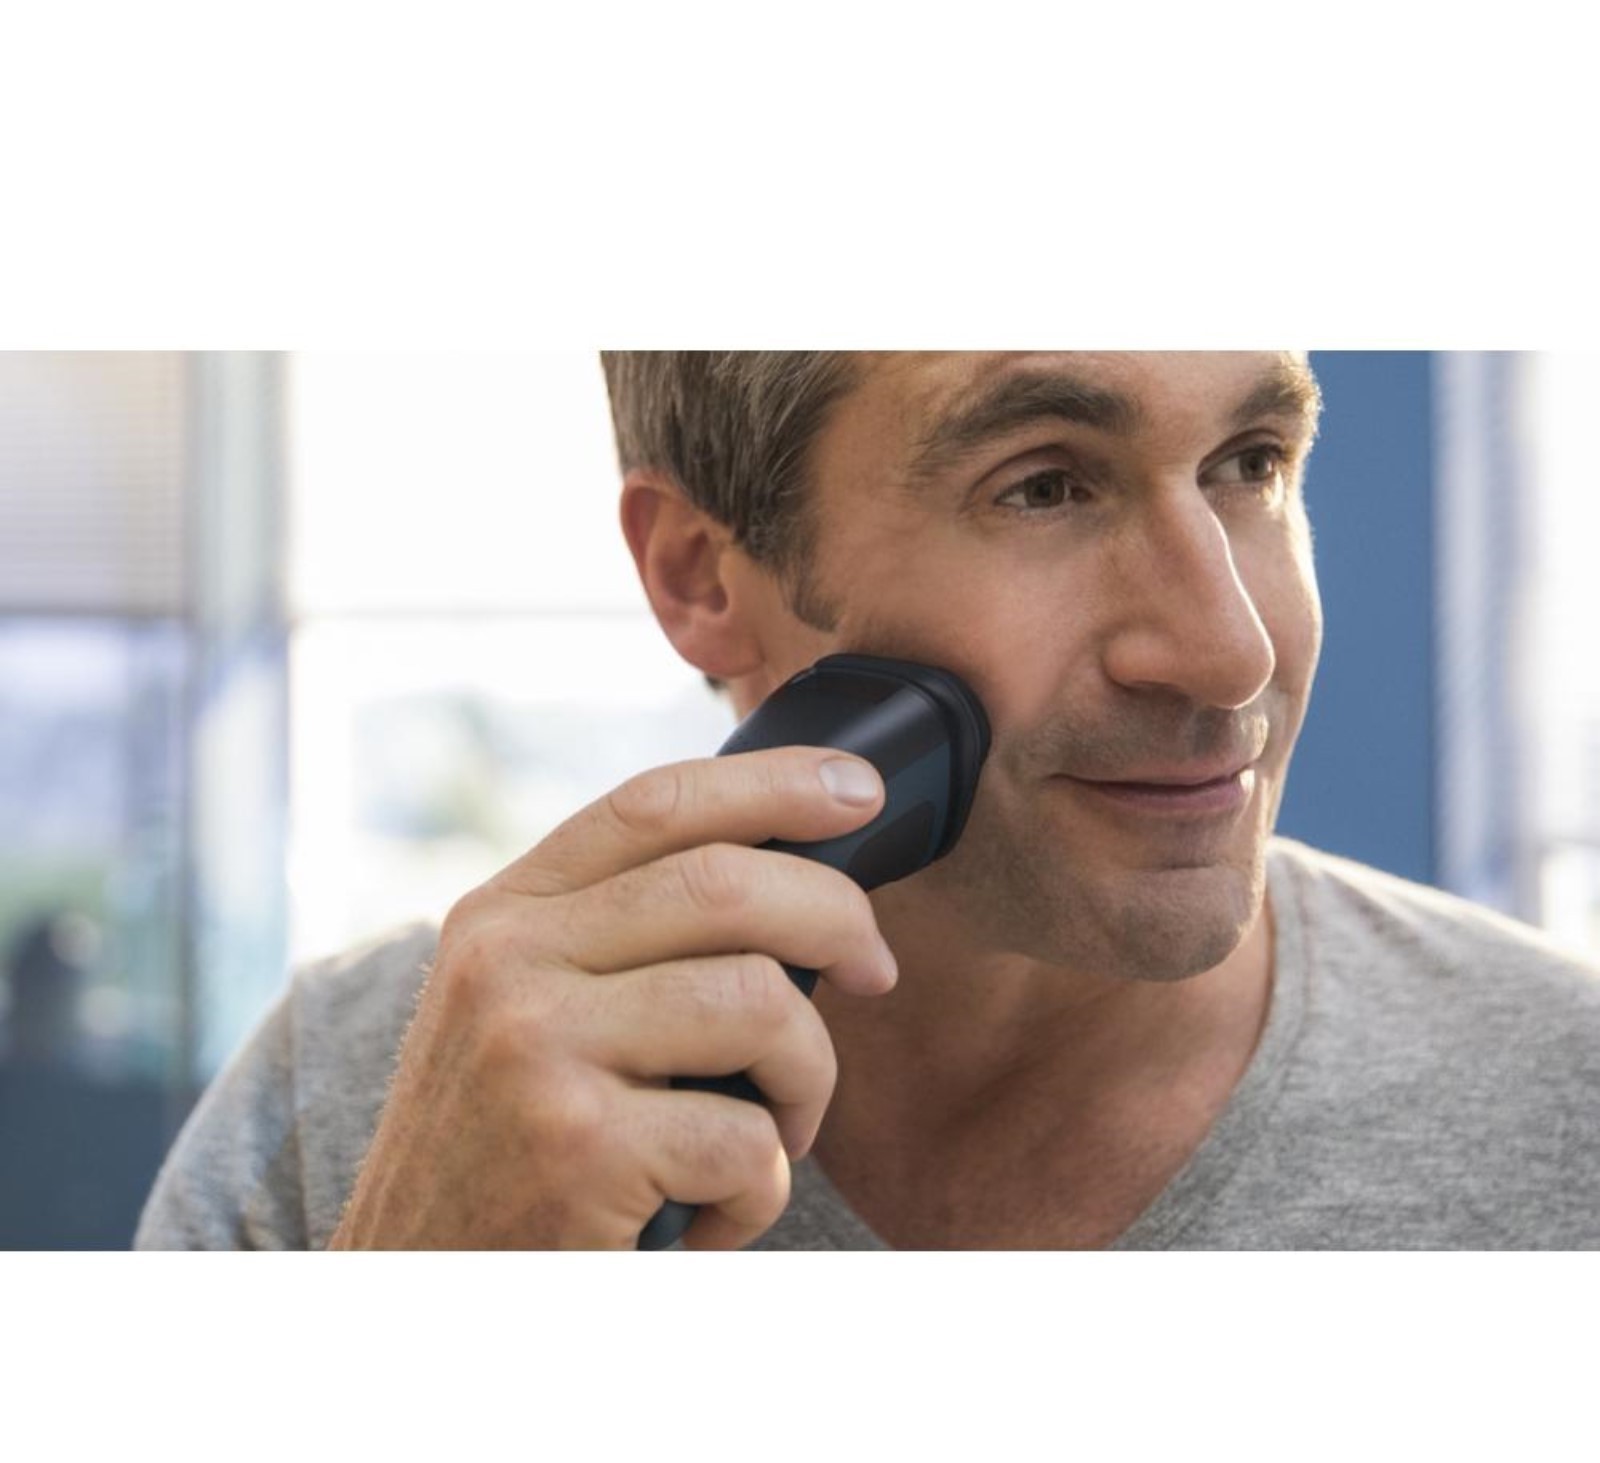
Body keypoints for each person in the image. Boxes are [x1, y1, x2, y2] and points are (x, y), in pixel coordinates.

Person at [135, 352, 1600, 1250]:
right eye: (1045, 486)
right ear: (701, 577)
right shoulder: (361, 1106)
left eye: (1250, 464)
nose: (1233, 651)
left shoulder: (1561, 1096)